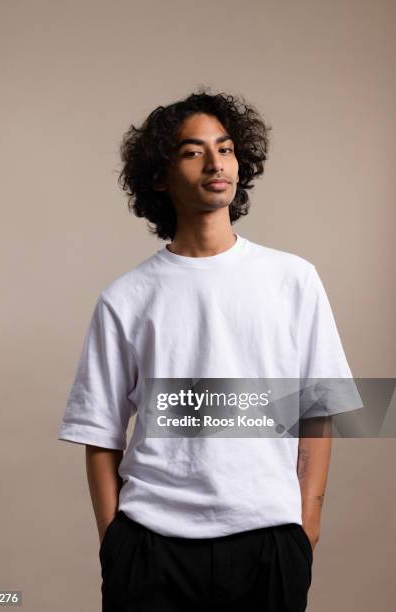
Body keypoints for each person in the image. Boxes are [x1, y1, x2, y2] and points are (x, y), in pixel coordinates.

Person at [58, 88, 363, 611]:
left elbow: (319, 409)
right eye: (192, 151)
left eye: (224, 148)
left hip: (268, 541)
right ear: (160, 176)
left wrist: (306, 524)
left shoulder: (293, 279)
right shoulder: (126, 298)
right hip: (151, 547)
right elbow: (100, 431)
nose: (215, 162)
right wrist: (116, 545)